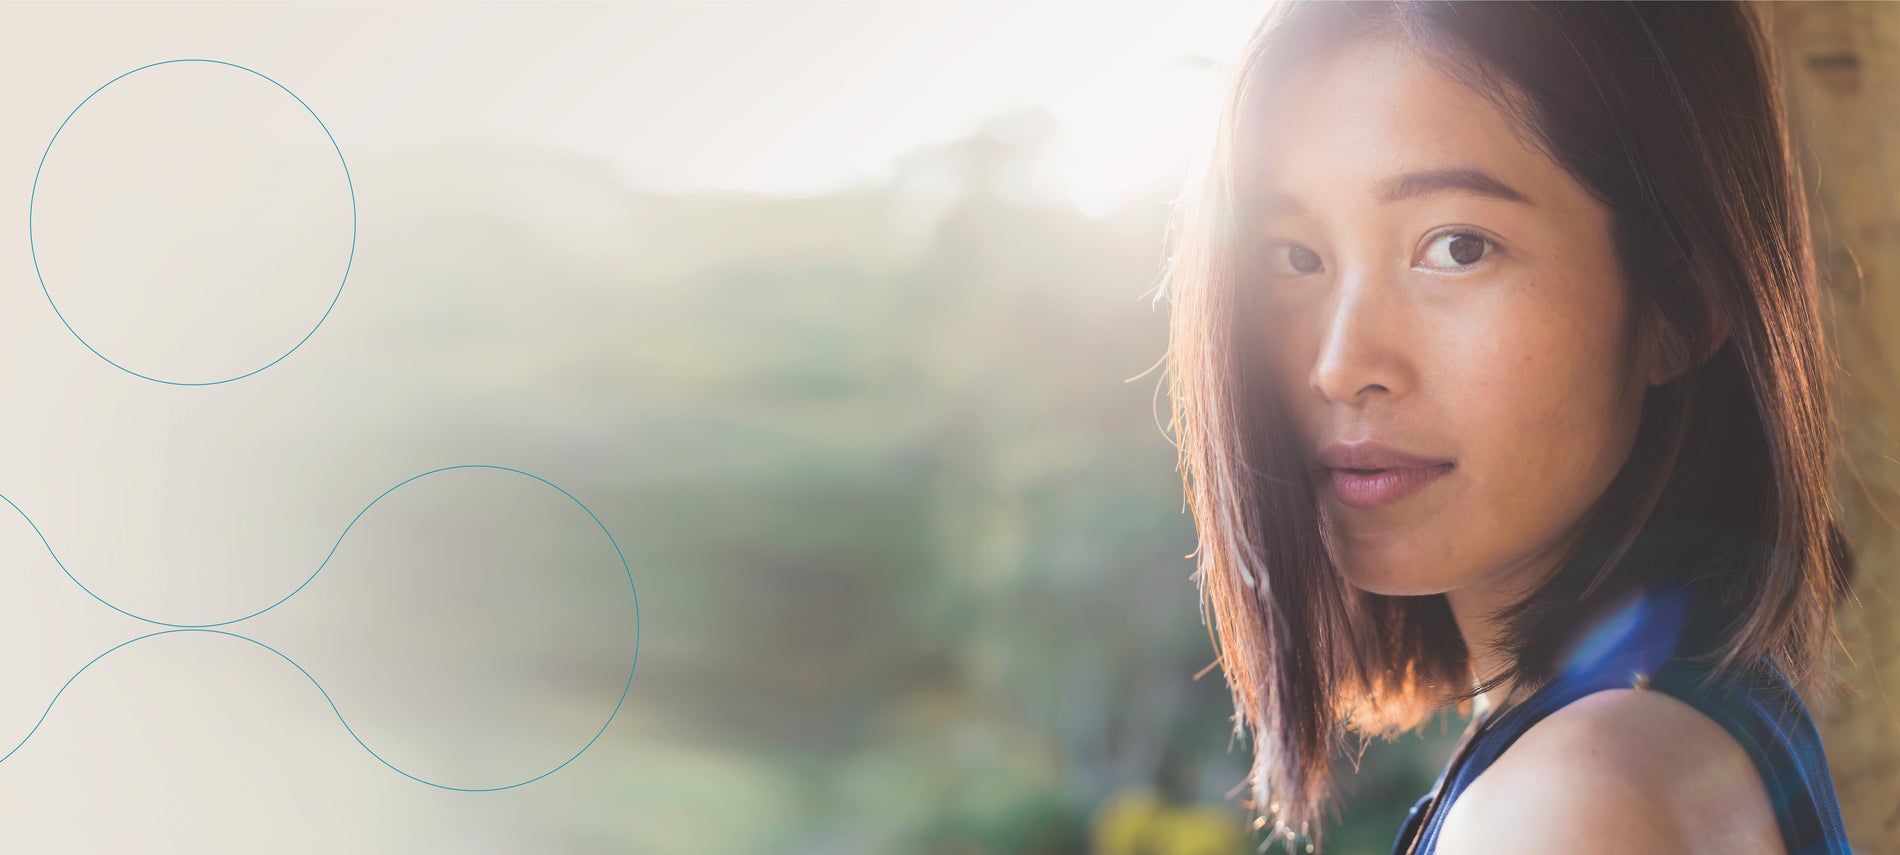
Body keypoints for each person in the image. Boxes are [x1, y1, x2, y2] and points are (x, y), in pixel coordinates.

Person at [1158, 2, 1857, 853]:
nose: (1340, 363)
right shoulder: (1691, 715)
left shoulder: (1572, 803)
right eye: (1293, 257)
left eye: (1457, 247)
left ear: (1678, 303)